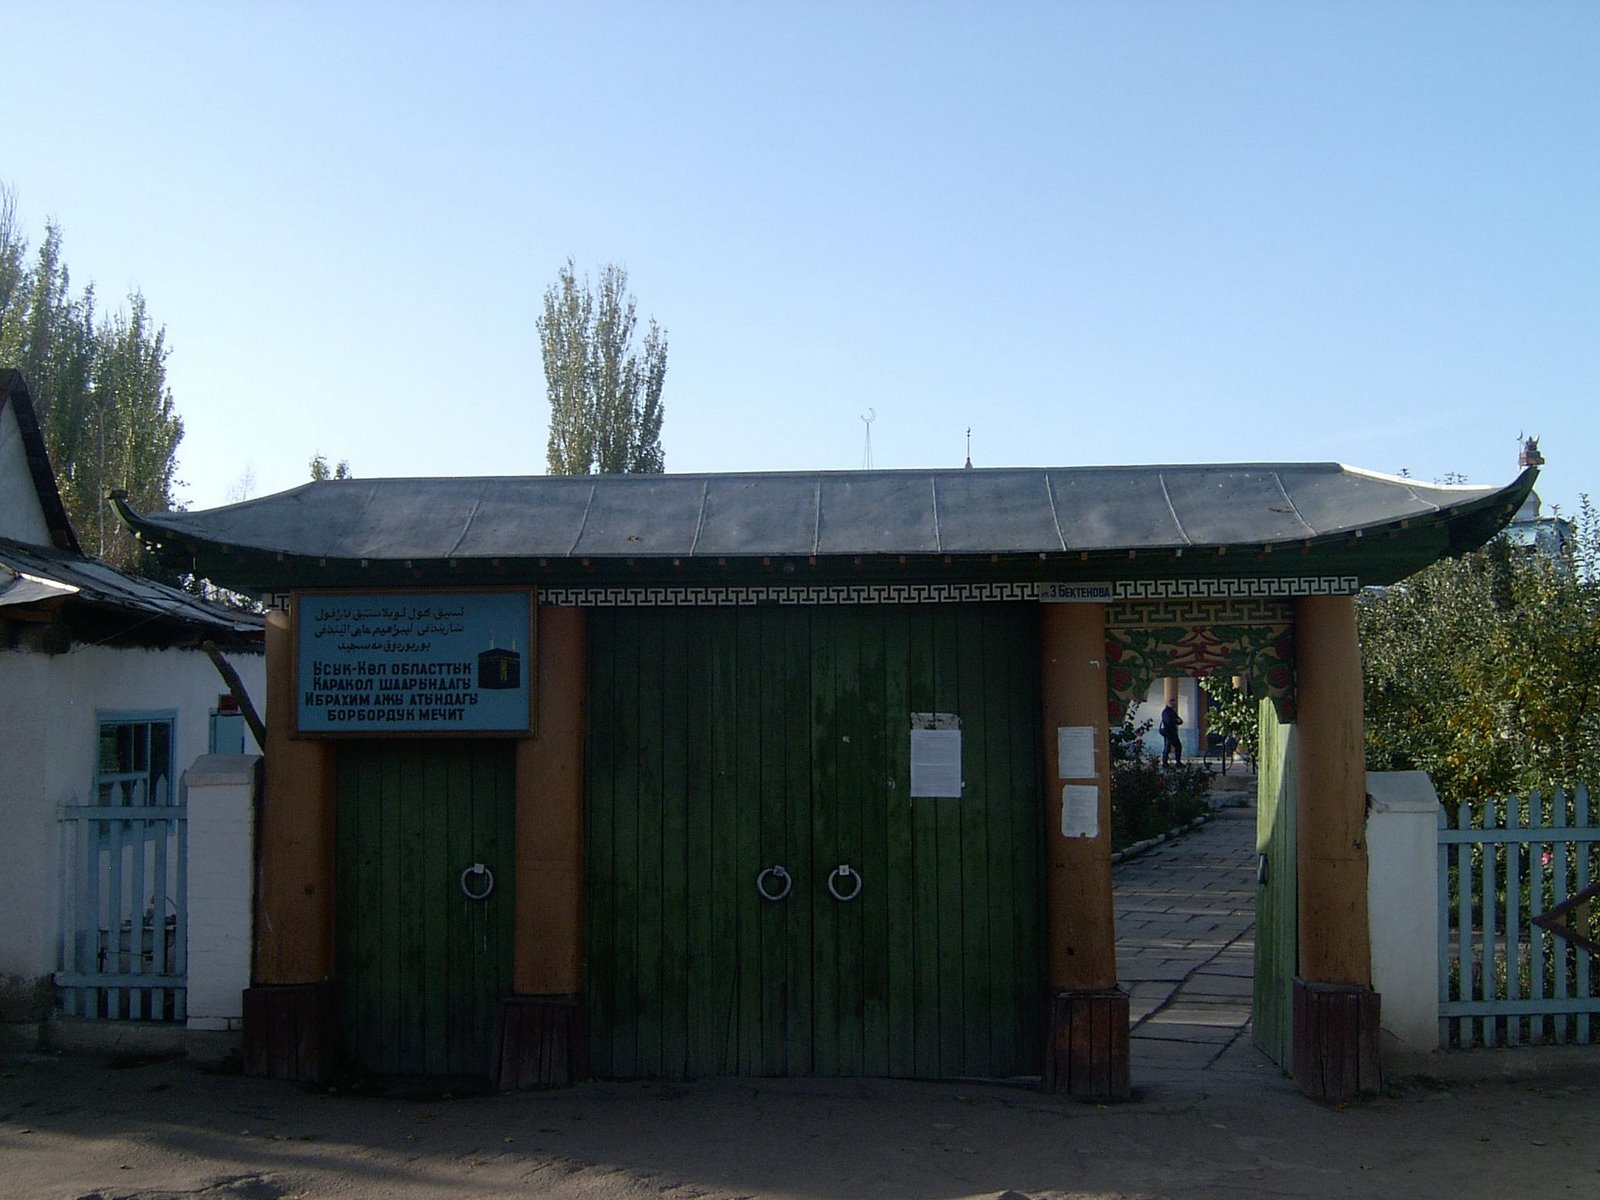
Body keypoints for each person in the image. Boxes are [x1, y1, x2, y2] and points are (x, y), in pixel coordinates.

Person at [1159, 699, 1183, 767]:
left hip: (1172, 732)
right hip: (1168, 732)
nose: (1175, 705)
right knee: (1167, 748)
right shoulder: (1166, 712)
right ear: (1171, 703)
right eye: (1174, 704)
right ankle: (1165, 763)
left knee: (1178, 746)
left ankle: (1178, 762)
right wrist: (1175, 721)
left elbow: (1180, 720)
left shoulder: (1172, 711)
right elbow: (1168, 721)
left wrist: (1177, 721)